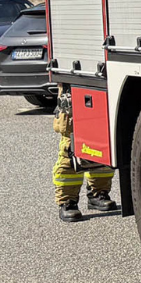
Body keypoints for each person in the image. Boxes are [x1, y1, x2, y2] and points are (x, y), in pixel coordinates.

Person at [52, 92, 116, 221]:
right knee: (70, 149)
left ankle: (97, 193)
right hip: (71, 92)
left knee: (101, 146)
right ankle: (67, 202)